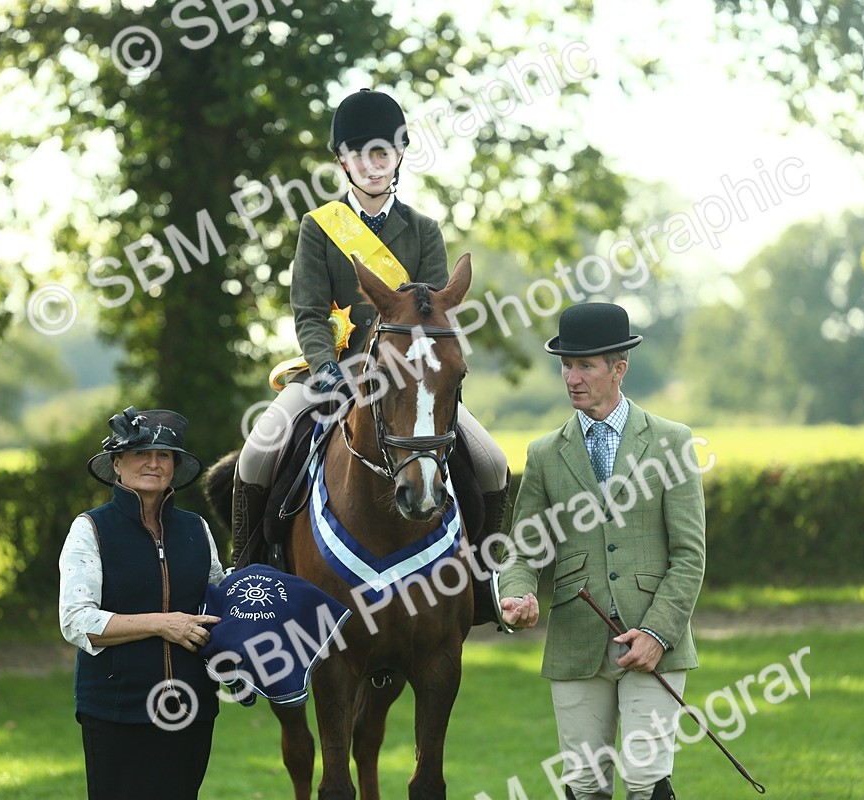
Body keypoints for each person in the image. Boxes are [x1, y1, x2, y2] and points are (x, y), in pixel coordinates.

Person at [233, 88, 510, 607]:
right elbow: (309, 312)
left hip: (411, 382)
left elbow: (432, 312)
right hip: (334, 370)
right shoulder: (319, 228)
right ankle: (246, 584)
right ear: (343, 160)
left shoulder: (424, 230)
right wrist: (326, 370)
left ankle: (484, 581)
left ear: (400, 155)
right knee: (256, 454)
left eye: (382, 152)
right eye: (360, 154)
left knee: (492, 464)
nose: (372, 164)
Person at [498, 303, 706, 800]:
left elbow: (689, 555)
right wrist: (515, 595)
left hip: (656, 641)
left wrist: (657, 633)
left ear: (619, 368)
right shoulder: (545, 453)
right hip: (575, 642)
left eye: (585, 365)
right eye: (565, 365)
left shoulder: (672, 442)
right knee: (584, 785)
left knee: (644, 781)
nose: (571, 377)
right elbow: (523, 551)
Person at [59, 406, 226, 800]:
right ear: (117, 464)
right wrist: (161, 623)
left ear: (174, 465)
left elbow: (218, 604)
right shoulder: (90, 528)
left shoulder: (197, 529)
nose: (153, 463)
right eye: (141, 454)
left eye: (164, 455)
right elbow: (77, 620)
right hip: (117, 710)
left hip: (192, 707)